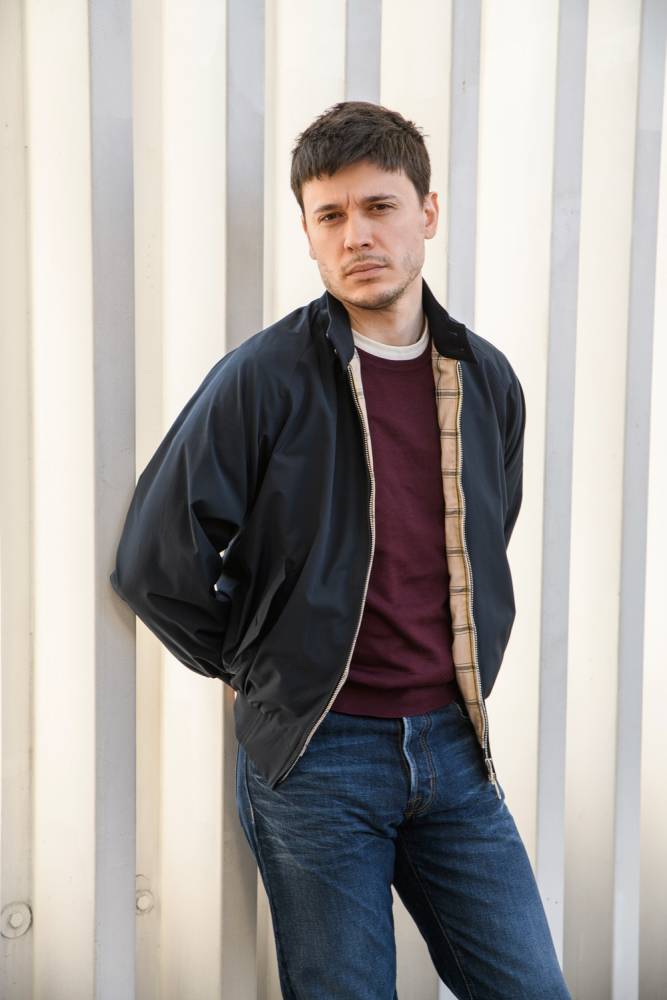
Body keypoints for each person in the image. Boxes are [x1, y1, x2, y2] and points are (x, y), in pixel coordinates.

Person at [110, 100, 572, 999]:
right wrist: (257, 663)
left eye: (378, 206)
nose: (356, 234)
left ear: (425, 213)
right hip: (319, 757)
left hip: (454, 749)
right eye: (330, 215)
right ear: (309, 235)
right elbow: (154, 560)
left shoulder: (485, 379)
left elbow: (486, 531)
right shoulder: (264, 376)